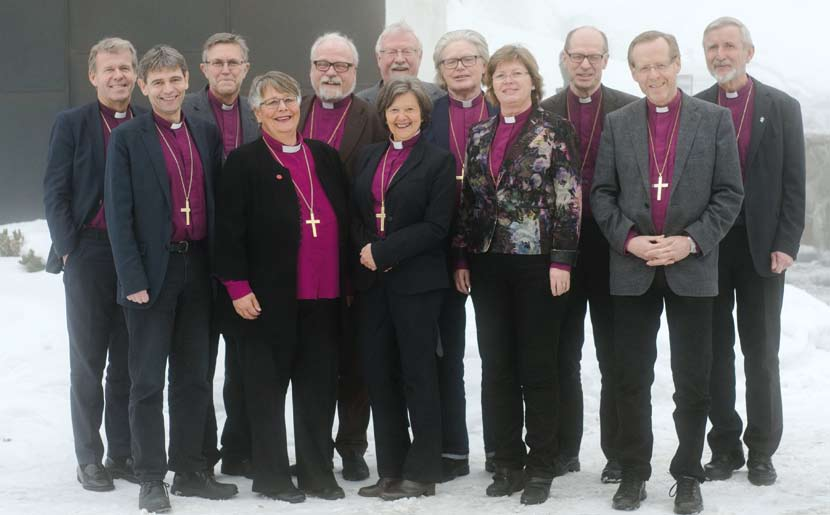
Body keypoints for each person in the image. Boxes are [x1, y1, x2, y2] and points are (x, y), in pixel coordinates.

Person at [591, 31, 744, 514]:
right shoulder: (618, 123)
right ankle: (634, 472)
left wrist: (690, 241)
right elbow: (602, 193)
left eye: (661, 65)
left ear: (677, 64)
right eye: (643, 67)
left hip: (692, 265)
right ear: (632, 72)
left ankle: (688, 474)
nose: (653, 75)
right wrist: (630, 239)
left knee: (693, 380)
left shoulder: (714, 120)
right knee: (630, 377)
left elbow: (729, 194)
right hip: (633, 265)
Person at [104, 44, 237, 513]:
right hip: (151, 273)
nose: (166, 88)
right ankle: (149, 477)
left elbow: (217, 204)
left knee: (194, 376)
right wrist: (132, 277)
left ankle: (190, 469)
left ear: (186, 80)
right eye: (156, 81)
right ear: (144, 87)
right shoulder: (128, 138)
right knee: (145, 382)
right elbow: (118, 216)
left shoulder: (203, 131)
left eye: (173, 79)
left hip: (197, 267)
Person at [452, 44, 581, 506]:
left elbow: (569, 199)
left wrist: (563, 260)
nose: (508, 81)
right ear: (491, 83)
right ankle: (505, 461)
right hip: (488, 263)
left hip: (538, 264)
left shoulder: (555, 129)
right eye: (500, 75)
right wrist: (463, 256)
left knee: (538, 366)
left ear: (532, 80)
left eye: (516, 74)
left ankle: (541, 463)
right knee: (496, 366)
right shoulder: (479, 132)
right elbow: (471, 199)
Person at [214, 71, 349, 504]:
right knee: (266, 390)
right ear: (257, 113)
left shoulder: (325, 157)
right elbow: (228, 232)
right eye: (271, 103)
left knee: (318, 388)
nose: (283, 109)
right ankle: (272, 475)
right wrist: (236, 287)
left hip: (324, 297)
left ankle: (316, 472)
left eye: (289, 99)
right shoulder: (244, 163)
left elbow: (343, 220)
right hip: (267, 299)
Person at [696, 16, 805, 487]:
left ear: (748, 52)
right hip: (710, 248)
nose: (720, 54)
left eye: (728, 46)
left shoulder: (782, 106)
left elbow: (794, 182)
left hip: (763, 250)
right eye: (712, 47)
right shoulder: (696, 107)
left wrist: (786, 242)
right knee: (714, 353)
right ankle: (724, 448)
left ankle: (762, 450)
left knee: (761, 353)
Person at [43, 36, 143, 492]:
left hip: (135, 258)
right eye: (110, 69)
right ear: (93, 76)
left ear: (136, 74)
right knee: (88, 361)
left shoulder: (147, 124)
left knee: (127, 360)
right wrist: (68, 248)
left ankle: (123, 453)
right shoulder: (73, 123)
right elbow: (55, 190)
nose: (118, 76)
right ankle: (89, 457)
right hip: (88, 252)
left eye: (125, 68)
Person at [539, 25, 638, 484]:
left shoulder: (627, 108)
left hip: (612, 245)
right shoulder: (544, 112)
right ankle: (563, 449)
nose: (584, 64)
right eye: (576, 56)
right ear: (563, 58)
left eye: (593, 57)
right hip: (558, 246)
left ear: (605, 60)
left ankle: (618, 453)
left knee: (615, 353)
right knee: (562, 351)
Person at [351, 77, 455, 501]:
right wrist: (366, 250)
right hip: (373, 284)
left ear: (423, 114)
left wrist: (385, 251)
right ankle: (390, 469)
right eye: (394, 110)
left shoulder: (438, 161)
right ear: (385, 115)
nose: (402, 116)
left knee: (418, 375)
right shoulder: (369, 155)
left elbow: (437, 226)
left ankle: (422, 471)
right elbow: (354, 210)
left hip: (417, 284)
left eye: (410, 109)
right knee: (379, 376)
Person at [297, 31, 385, 481]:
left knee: (354, 359)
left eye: (342, 66)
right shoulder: (292, 112)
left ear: (356, 71)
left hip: (353, 257)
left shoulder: (372, 117)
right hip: (299, 258)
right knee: (311, 358)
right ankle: (311, 446)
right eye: (323, 64)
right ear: (311, 67)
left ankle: (352, 445)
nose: (331, 73)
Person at [182, 31, 260, 479]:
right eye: (217, 62)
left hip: (248, 260)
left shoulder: (262, 109)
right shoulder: (183, 111)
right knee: (197, 363)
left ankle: (239, 449)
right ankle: (200, 453)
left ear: (246, 68)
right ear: (204, 68)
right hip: (197, 257)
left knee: (245, 363)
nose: (226, 69)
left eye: (234, 62)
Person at [425, 28, 497, 480]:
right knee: (444, 354)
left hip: (495, 247)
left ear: (484, 65)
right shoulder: (427, 114)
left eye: (468, 59)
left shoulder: (504, 110)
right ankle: (451, 450)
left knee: (498, 353)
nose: (460, 68)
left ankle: (503, 450)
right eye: (450, 62)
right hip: (437, 246)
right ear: (439, 70)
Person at [356, 21, 445, 105]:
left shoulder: (441, 98)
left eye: (407, 51)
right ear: (379, 58)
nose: (399, 59)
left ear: (420, 56)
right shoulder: (360, 104)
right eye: (391, 52)